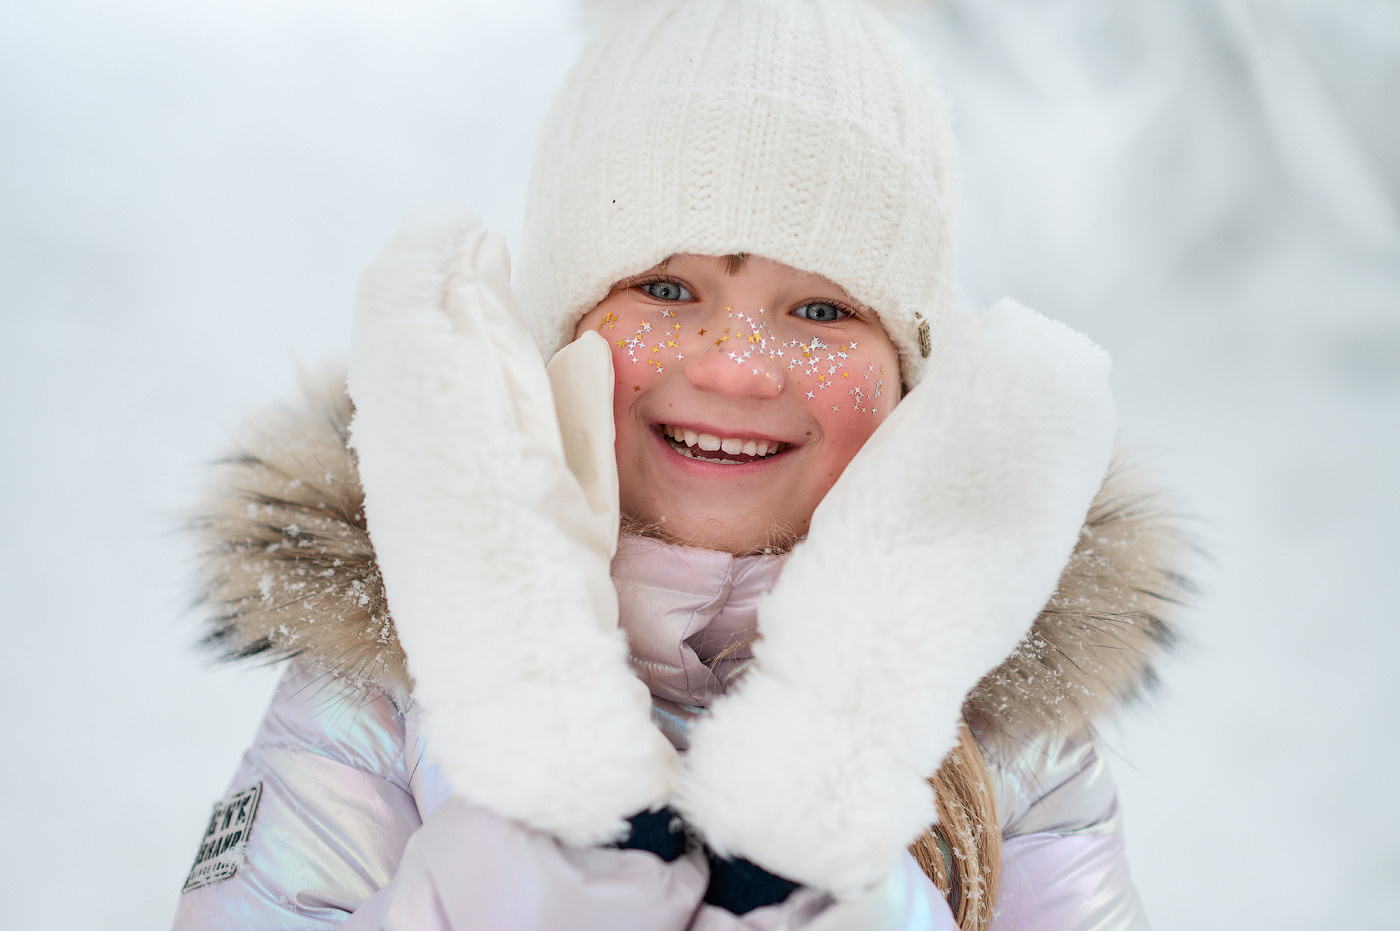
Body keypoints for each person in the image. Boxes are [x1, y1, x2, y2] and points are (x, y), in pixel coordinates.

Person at [172, 1, 1189, 928]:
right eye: (665, 289)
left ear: (906, 374)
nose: (739, 369)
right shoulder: (384, 690)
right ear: (562, 330)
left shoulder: (1006, 736)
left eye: (822, 310)